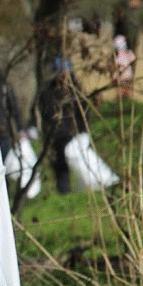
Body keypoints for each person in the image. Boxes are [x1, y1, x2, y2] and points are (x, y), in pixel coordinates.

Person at [37, 59, 88, 194]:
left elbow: (83, 112)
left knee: (79, 162)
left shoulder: (76, 91)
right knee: (59, 164)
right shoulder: (47, 92)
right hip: (56, 134)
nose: (64, 76)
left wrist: (82, 130)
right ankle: (64, 190)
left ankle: (86, 187)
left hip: (74, 133)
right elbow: (45, 112)